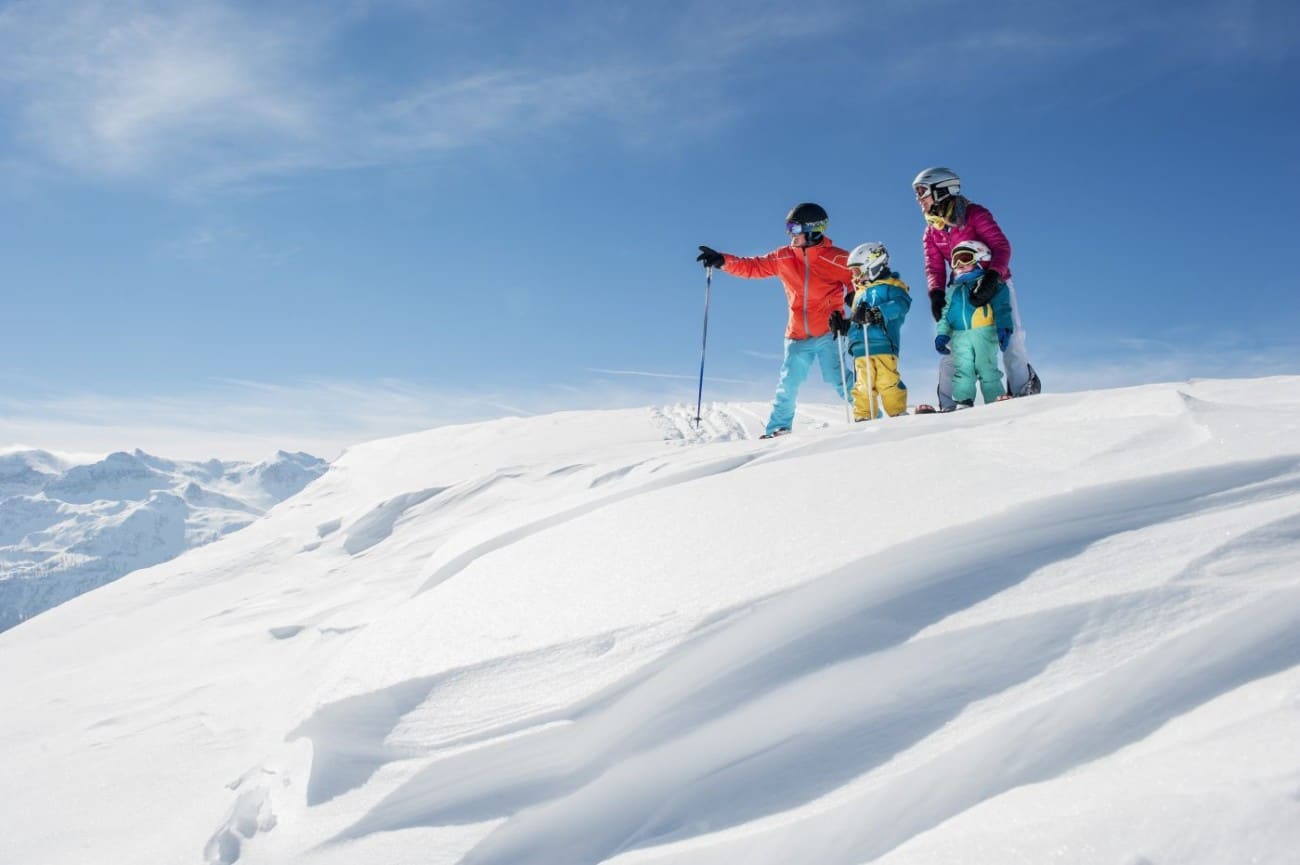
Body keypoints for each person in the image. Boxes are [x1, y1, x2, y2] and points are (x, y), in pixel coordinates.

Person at [697, 202, 854, 438]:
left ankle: (870, 415)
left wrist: (852, 309)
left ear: (813, 229)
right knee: (788, 385)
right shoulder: (784, 256)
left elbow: (858, 282)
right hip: (796, 335)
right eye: (789, 227)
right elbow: (753, 266)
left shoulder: (838, 258)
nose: (791, 233)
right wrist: (723, 261)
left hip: (829, 332)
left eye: (795, 227)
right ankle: (778, 428)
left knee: (838, 379)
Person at [912, 167, 1039, 412]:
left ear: (941, 190)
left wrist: (992, 277)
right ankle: (949, 403)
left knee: (1010, 336)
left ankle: (1024, 390)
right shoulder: (931, 231)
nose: (919, 200)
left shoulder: (974, 214)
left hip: (996, 281)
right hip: (960, 292)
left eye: (922, 193)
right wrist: (936, 294)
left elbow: (1001, 247)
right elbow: (934, 267)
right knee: (955, 345)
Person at [828, 241, 911, 419]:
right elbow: (859, 318)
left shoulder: (893, 287)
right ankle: (863, 417)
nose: (854, 276)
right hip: (860, 347)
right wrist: (844, 325)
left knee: (887, 382)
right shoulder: (859, 293)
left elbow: (901, 305)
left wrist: (877, 312)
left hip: (882, 344)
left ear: (872, 265)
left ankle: (898, 414)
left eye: (857, 270)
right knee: (862, 386)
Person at [934, 240, 1014, 408]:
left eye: (965, 258)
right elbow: (945, 316)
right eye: (955, 261)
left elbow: (1002, 307)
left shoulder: (988, 284)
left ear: (978, 259)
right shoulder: (953, 291)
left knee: (987, 368)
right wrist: (942, 334)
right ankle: (963, 400)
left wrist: (1004, 327)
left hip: (983, 333)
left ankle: (995, 400)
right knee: (963, 371)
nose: (959, 264)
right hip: (959, 336)